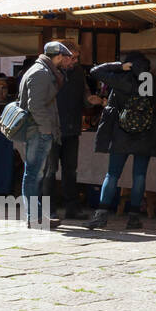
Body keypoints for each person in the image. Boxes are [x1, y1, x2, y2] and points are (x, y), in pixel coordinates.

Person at [86, 51, 156, 231]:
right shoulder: (153, 81)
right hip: (145, 134)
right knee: (139, 175)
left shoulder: (122, 80)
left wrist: (118, 66)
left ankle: (101, 215)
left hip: (121, 133)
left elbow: (95, 71)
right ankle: (134, 217)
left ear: (129, 64)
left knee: (112, 174)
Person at [16, 42, 75, 229]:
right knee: (34, 174)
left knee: (34, 174)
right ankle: (33, 217)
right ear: (57, 56)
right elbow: (36, 106)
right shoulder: (41, 73)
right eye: (64, 57)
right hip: (38, 131)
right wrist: (46, 130)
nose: (65, 61)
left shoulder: (41, 70)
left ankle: (37, 215)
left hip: (38, 130)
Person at [42, 42, 102, 219]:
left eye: (77, 57)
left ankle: (72, 208)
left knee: (70, 170)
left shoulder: (77, 73)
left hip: (72, 127)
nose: (75, 61)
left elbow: (84, 95)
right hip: (52, 129)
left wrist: (91, 100)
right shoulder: (47, 73)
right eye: (72, 57)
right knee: (50, 171)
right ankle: (48, 210)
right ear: (61, 55)